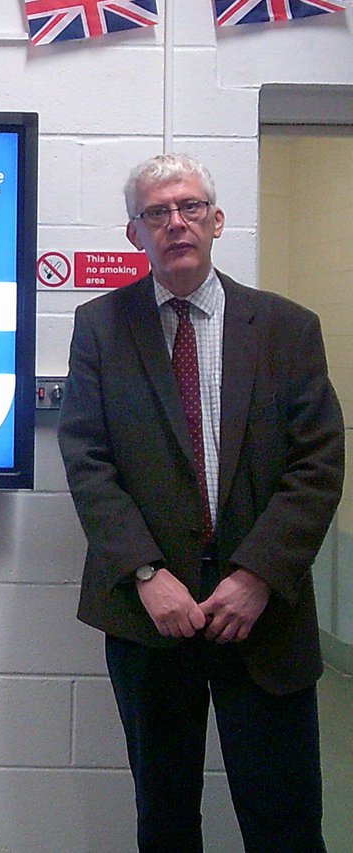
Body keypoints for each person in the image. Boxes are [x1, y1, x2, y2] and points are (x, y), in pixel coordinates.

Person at [57, 152, 345, 852]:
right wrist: (148, 576)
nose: (175, 222)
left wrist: (255, 577)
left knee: (284, 821)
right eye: (157, 212)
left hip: (265, 616)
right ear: (136, 234)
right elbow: (88, 460)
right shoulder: (100, 326)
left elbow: (318, 462)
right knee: (165, 819)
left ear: (216, 221)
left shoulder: (285, 328)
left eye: (189, 207)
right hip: (151, 617)